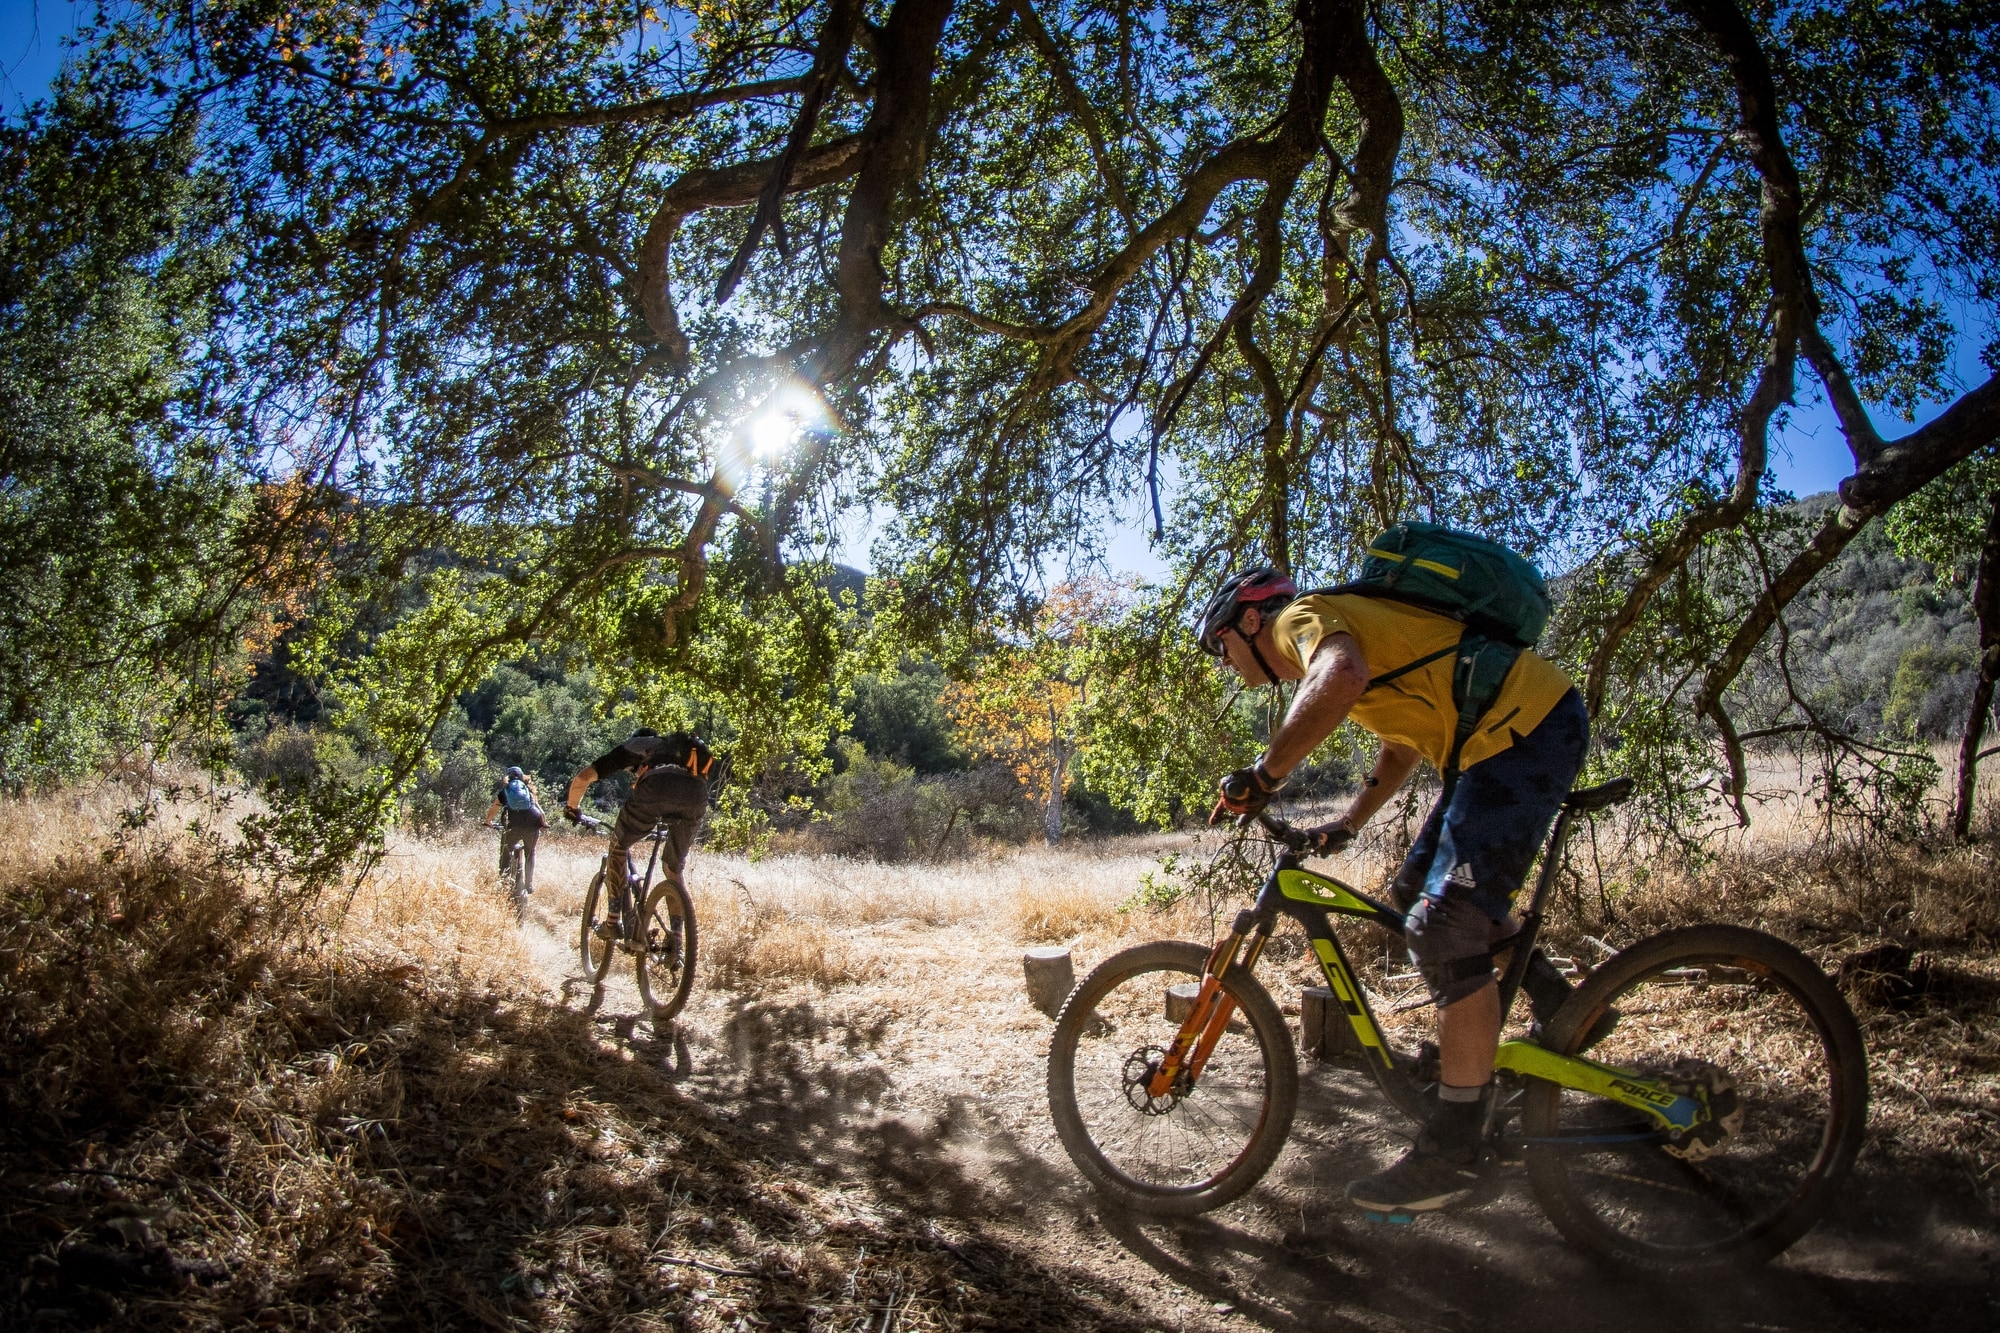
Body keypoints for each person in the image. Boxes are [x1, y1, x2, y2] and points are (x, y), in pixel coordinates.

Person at [1198, 565, 1588, 1214]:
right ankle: (1566, 1006)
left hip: (1521, 735)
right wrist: (1346, 825)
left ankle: (1455, 1150)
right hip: (1509, 740)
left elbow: (1341, 679)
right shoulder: (1351, 630)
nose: (1225, 660)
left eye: (1221, 644)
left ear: (1249, 622)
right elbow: (1402, 746)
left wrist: (1264, 776)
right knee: (1414, 891)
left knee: (1444, 923)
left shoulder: (1303, 620)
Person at [562, 728, 716, 936]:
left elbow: (583, 779)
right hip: (696, 795)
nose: (631, 773)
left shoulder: (636, 746)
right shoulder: (684, 751)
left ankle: (613, 922)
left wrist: (572, 809)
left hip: (655, 789)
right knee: (673, 869)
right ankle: (678, 939)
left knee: (618, 846)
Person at [482, 766, 547, 895]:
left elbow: (494, 808)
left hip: (512, 826)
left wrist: (488, 821)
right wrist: (544, 824)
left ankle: (503, 883)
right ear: (522, 777)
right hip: (532, 825)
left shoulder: (506, 791)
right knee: (530, 853)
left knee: (505, 854)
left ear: (508, 777)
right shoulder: (528, 790)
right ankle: (529, 884)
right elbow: (541, 812)